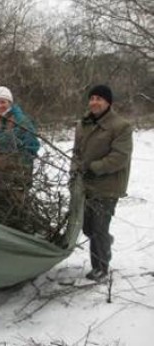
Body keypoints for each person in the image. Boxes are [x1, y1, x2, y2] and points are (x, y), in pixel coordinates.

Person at [73, 85, 133, 281]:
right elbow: (76, 153)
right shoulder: (83, 124)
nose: (94, 102)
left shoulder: (121, 126)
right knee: (87, 227)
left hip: (108, 185)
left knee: (98, 227)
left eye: (99, 98)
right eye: (92, 98)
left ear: (108, 102)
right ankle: (105, 240)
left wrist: (93, 167)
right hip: (86, 183)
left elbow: (119, 158)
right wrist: (74, 172)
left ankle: (100, 266)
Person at [0, 86, 40, 207]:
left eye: (3, 102)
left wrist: (21, 169)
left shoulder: (22, 121)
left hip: (17, 172)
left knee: (14, 206)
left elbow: (32, 146)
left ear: (10, 102)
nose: (0, 106)